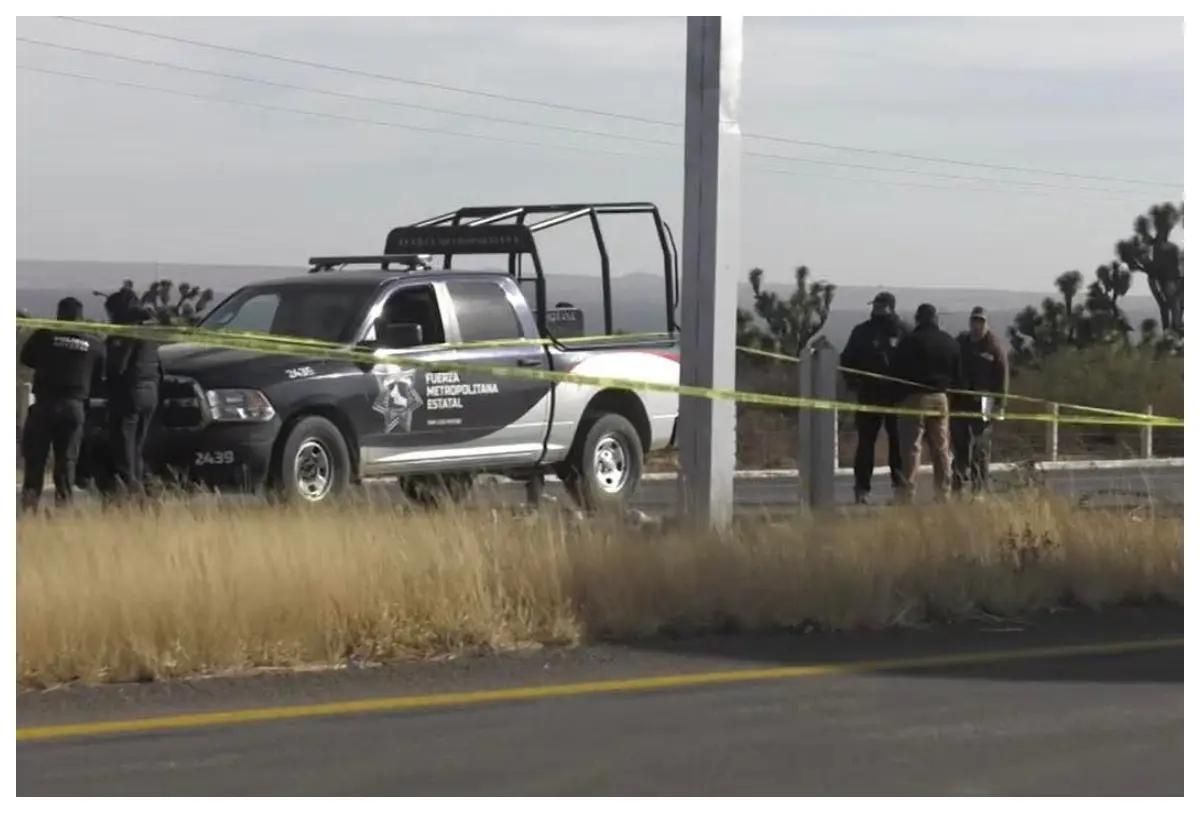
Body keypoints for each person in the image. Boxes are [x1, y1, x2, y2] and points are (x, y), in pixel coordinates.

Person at [19, 297, 106, 510]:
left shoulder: (44, 336)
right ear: (81, 317)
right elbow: (100, 376)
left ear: (59, 315)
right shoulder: (94, 343)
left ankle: (29, 507)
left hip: (45, 405)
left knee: (35, 459)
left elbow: (26, 359)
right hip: (74, 407)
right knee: (67, 460)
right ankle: (64, 507)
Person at [840, 291, 908, 504]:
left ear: (891, 307)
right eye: (875, 305)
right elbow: (847, 359)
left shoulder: (903, 331)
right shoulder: (862, 331)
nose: (876, 308)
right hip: (869, 395)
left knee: (899, 444)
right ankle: (862, 489)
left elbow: (915, 361)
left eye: (881, 305)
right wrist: (854, 383)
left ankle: (900, 488)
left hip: (897, 397)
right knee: (866, 444)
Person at [891, 303, 963, 503]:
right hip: (940, 397)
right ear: (936, 319)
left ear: (917, 319)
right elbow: (959, 374)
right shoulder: (949, 342)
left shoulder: (909, 342)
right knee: (941, 447)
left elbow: (895, 370)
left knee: (911, 447)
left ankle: (907, 493)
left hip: (914, 397)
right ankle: (943, 492)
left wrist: (898, 397)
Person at [103, 288, 162, 499]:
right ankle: (145, 491)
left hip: (129, 394)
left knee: (124, 449)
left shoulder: (126, 331)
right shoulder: (149, 328)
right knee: (137, 447)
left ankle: (130, 493)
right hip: (151, 391)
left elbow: (117, 366)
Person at [952, 306, 1010, 495]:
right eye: (974, 321)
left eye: (981, 321)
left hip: (985, 401)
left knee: (981, 446)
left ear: (986, 324)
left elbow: (1003, 376)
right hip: (961, 400)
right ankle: (958, 485)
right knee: (959, 444)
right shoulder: (961, 342)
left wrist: (1000, 404)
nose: (977, 325)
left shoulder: (994, 346)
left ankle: (980, 488)